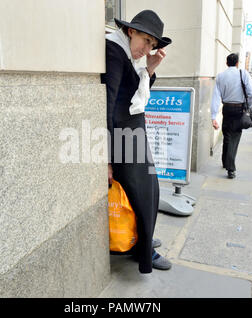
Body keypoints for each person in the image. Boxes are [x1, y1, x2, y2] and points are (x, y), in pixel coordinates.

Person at [101, 10, 172, 273]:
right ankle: (144, 252)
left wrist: (150, 69)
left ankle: (143, 239)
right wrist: (107, 158)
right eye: (146, 40)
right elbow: (108, 105)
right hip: (122, 136)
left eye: (152, 45)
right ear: (131, 31)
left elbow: (134, 95)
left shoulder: (127, 53)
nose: (147, 48)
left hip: (131, 131)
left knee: (150, 189)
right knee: (142, 193)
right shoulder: (114, 50)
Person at [211, 53, 252, 179]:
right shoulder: (243, 74)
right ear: (237, 63)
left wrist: (213, 116)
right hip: (239, 109)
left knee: (227, 134)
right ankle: (230, 168)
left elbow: (216, 96)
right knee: (234, 138)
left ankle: (225, 161)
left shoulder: (220, 76)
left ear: (227, 63)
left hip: (226, 108)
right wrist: (249, 105)